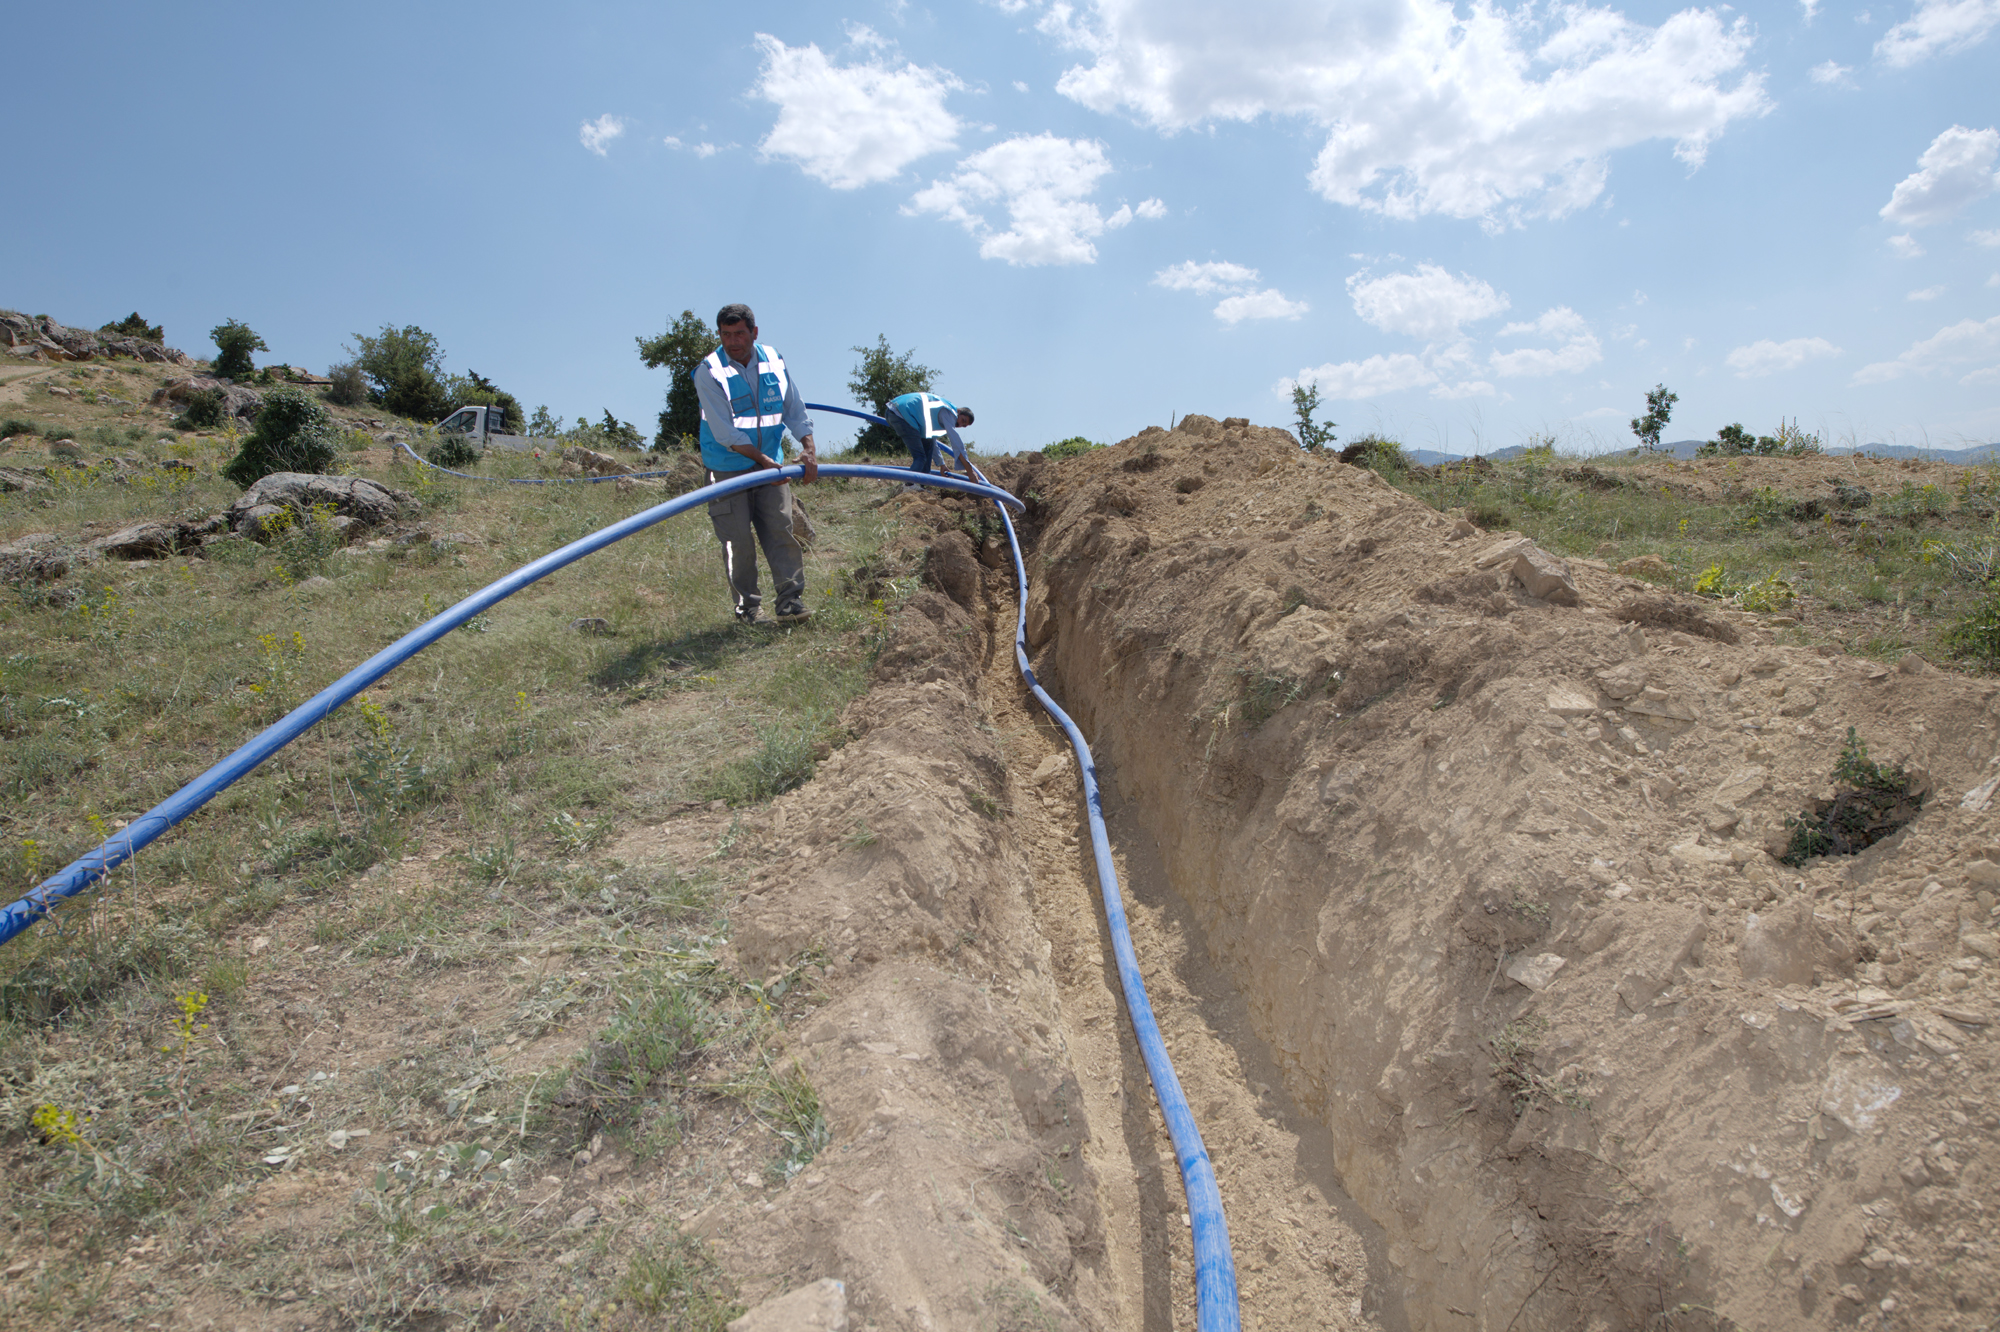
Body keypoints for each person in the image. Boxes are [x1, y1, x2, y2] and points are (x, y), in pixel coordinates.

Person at [692, 303, 819, 624]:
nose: (732, 342)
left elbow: (794, 408)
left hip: (770, 463)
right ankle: (747, 608)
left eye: (739, 334)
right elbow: (726, 432)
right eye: (725, 335)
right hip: (726, 467)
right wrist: (764, 462)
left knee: (780, 530)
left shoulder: (773, 360)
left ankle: (790, 602)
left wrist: (808, 448)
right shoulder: (709, 372)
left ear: (754, 332)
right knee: (737, 541)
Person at [882, 392, 974, 486]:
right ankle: (909, 486)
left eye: (963, 425)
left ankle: (922, 486)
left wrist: (941, 464)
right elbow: (956, 442)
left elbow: (932, 442)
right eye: (963, 420)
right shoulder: (949, 412)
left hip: (894, 412)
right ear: (958, 411)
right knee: (920, 458)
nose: (960, 424)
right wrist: (970, 471)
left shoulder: (940, 414)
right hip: (902, 414)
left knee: (928, 445)